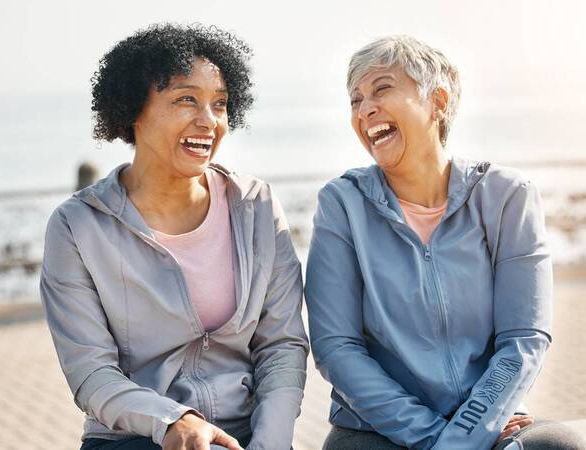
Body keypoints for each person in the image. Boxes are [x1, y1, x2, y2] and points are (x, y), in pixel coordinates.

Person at [304, 35, 585, 450]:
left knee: (558, 444)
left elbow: (523, 338)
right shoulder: (342, 203)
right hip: (375, 430)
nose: (365, 109)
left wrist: (468, 431)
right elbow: (336, 348)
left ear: (437, 100)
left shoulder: (506, 195)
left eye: (381, 89)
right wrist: (437, 438)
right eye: (355, 100)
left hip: (483, 419)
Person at [40, 23, 308, 450]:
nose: (209, 121)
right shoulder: (78, 226)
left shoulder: (256, 206)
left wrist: (270, 443)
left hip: (248, 435)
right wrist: (172, 420)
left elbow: (282, 345)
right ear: (133, 110)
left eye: (219, 104)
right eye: (186, 99)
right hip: (136, 436)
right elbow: (90, 372)